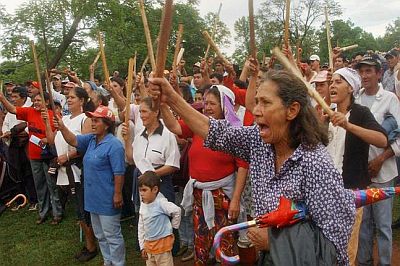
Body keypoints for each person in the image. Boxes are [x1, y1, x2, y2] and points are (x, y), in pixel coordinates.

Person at [148, 70, 355, 265]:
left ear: (292, 110)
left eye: (265, 103)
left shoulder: (315, 163)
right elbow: (215, 133)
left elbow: (335, 242)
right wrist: (171, 98)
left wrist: (276, 241)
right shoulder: (259, 142)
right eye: (256, 102)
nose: (255, 111)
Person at [156, 85, 249, 264]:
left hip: (223, 196)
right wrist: (162, 105)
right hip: (200, 195)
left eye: (212, 103)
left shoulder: (235, 132)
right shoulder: (199, 127)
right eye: (205, 103)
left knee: (225, 242)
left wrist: (236, 200)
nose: (207, 107)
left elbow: (243, 167)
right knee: (201, 239)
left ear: (224, 106)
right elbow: (175, 126)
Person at [326, 67, 388, 266]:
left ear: (351, 88)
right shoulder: (327, 113)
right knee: (327, 248)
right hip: (326, 191)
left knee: (347, 251)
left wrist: (348, 125)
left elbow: (381, 140)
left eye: (338, 82)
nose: (332, 85)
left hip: (350, 192)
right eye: (332, 82)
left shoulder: (361, 113)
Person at [56, 105, 126, 266]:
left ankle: (118, 263)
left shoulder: (114, 145)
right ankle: (108, 261)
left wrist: (117, 194)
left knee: (112, 236)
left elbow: (119, 172)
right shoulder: (91, 140)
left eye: (96, 121)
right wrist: (62, 127)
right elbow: (73, 140)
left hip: (107, 198)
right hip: (92, 197)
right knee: (101, 235)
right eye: (92, 120)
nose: (92, 123)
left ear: (107, 124)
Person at [41, 87, 98, 262]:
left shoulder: (85, 119)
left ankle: (92, 246)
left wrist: (67, 156)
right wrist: (47, 123)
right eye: (68, 97)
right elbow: (52, 141)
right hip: (65, 169)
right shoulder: (64, 118)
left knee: (83, 209)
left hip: (78, 169)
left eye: (73, 97)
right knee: (78, 210)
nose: (69, 99)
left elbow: (85, 144)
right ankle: (89, 243)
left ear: (82, 101)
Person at [355, 55, 400, 266]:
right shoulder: (356, 99)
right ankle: (363, 261)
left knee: (382, 224)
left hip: (383, 173)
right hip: (361, 173)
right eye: (361, 71)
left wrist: (381, 159)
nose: (364, 75)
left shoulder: (390, 98)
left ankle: (384, 262)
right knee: (363, 223)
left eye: (368, 71)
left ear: (379, 73)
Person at [0, 91, 63, 224]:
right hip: (34, 156)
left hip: (48, 156)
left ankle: (57, 212)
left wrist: (48, 137)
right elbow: (12, 109)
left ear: (46, 102)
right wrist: (2, 97)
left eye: (39, 100)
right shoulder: (29, 112)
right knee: (39, 185)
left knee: (52, 185)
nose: (36, 103)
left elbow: (59, 133)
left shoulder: (53, 115)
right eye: (34, 100)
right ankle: (43, 212)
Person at [1, 86, 37, 210]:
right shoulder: (11, 111)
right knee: (16, 172)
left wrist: (17, 131)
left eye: (16, 97)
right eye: (11, 97)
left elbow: (30, 125)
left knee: (29, 172)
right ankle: (21, 197)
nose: (13, 99)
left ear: (23, 97)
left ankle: (33, 199)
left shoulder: (30, 107)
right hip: (13, 144)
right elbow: (5, 123)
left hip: (26, 144)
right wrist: (6, 132)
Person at [138, 171, 181, 266]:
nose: (141, 193)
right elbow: (141, 227)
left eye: (144, 190)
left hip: (163, 246)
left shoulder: (161, 203)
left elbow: (177, 211)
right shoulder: (143, 205)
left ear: (155, 189)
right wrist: (142, 246)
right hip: (149, 246)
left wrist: (173, 227)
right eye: (140, 190)